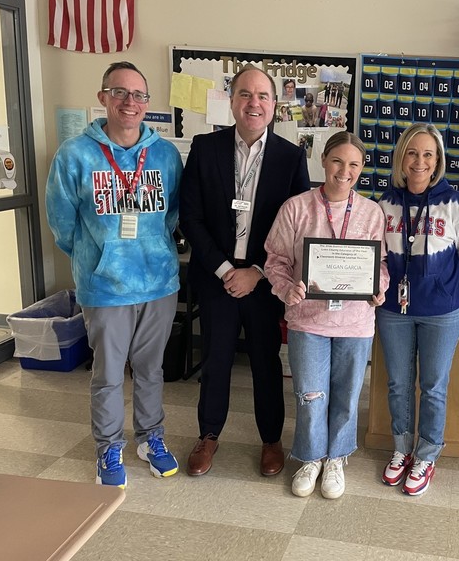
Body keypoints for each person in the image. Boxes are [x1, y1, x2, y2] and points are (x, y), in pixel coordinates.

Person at [45, 61, 182, 488]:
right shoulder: (75, 154)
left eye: (139, 95)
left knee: (151, 369)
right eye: (120, 92)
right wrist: (100, 258)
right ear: (103, 97)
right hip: (104, 286)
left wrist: (148, 253)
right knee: (106, 374)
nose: (130, 102)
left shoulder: (165, 155)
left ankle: (150, 438)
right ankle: (107, 446)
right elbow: (62, 223)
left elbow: (172, 215)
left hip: (158, 283)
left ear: (148, 104)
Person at [179, 66, 310, 478]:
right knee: (215, 358)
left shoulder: (291, 158)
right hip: (216, 275)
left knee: (265, 361)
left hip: (264, 278)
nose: (254, 103)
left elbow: (298, 225)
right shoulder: (205, 147)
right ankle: (208, 436)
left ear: (274, 104)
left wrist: (257, 270)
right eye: (245, 94)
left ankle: (271, 440)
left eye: (263, 96)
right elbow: (191, 216)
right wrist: (223, 269)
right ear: (232, 100)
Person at [264, 132, 389, 499]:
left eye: (353, 164)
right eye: (338, 161)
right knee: (310, 393)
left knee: (347, 394)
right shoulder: (296, 208)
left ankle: (336, 457)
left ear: (362, 168)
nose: (344, 171)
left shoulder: (371, 212)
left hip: (356, 321)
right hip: (308, 319)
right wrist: (287, 289)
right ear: (323, 160)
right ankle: (311, 456)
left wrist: (379, 285)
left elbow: (380, 264)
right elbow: (276, 261)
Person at [376, 123, 459, 496]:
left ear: (437, 162)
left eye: (428, 154)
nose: (420, 161)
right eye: (412, 153)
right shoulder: (384, 203)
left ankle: (428, 454)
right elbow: (377, 259)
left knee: (433, 386)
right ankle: (402, 448)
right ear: (401, 158)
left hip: (442, 312)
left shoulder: (455, 203)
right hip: (393, 311)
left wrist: (457, 307)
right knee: (398, 384)